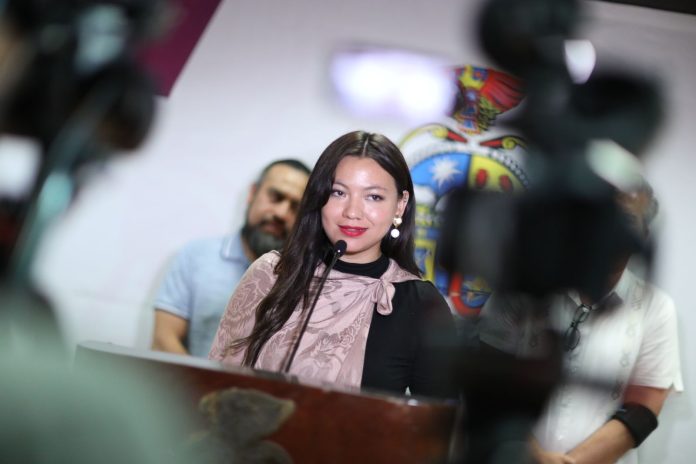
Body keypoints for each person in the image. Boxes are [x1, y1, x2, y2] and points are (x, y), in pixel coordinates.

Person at [209, 131, 456, 398]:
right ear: (319, 196)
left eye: (373, 197)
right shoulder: (270, 274)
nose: (352, 212)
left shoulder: (421, 305)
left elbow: (439, 419)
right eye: (338, 192)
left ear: (400, 205)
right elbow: (217, 386)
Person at [478, 182, 683, 464]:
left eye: (625, 219)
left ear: (643, 235)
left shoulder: (655, 307)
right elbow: (487, 381)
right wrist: (533, 457)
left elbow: (643, 408)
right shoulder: (522, 290)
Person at [151, 159, 311, 357]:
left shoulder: (306, 280)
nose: (281, 213)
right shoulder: (196, 256)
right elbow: (163, 340)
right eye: (276, 197)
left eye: (295, 207)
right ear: (253, 194)